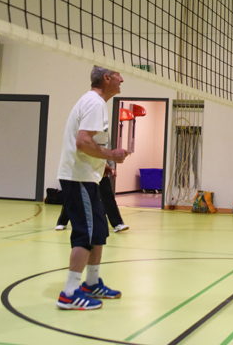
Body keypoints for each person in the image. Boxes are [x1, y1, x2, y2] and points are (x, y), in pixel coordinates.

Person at [56, 65, 130, 311]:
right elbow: (82, 142)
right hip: (77, 178)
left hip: (87, 177)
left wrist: (101, 164)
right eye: (118, 75)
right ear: (106, 78)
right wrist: (112, 155)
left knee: (98, 231)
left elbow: (87, 143)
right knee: (85, 235)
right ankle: (69, 294)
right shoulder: (95, 103)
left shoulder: (96, 103)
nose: (122, 79)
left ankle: (91, 283)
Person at [55, 166, 129, 233]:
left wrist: (106, 166)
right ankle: (62, 222)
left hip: (98, 171)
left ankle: (117, 223)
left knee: (107, 195)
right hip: (81, 171)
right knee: (73, 196)